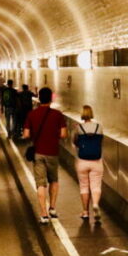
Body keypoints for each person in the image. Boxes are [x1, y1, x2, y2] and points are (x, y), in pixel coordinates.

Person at [22, 87, 66, 224]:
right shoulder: (58, 115)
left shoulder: (32, 114)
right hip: (53, 152)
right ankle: (52, 208)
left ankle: (43, 214)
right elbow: (64, 134)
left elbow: (26, 134)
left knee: (41, 183)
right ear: (51, 99)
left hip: (38, 153)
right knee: (53, 180)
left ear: (39, 98)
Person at [73, 105, 104, 223]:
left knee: (84, 186)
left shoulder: (79, 128)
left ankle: (85, 212)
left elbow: (75, 142)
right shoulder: (99, 127)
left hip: (82, 161)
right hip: (96, 161)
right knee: (96, 186)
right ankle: (95, 204)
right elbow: (101, 141)